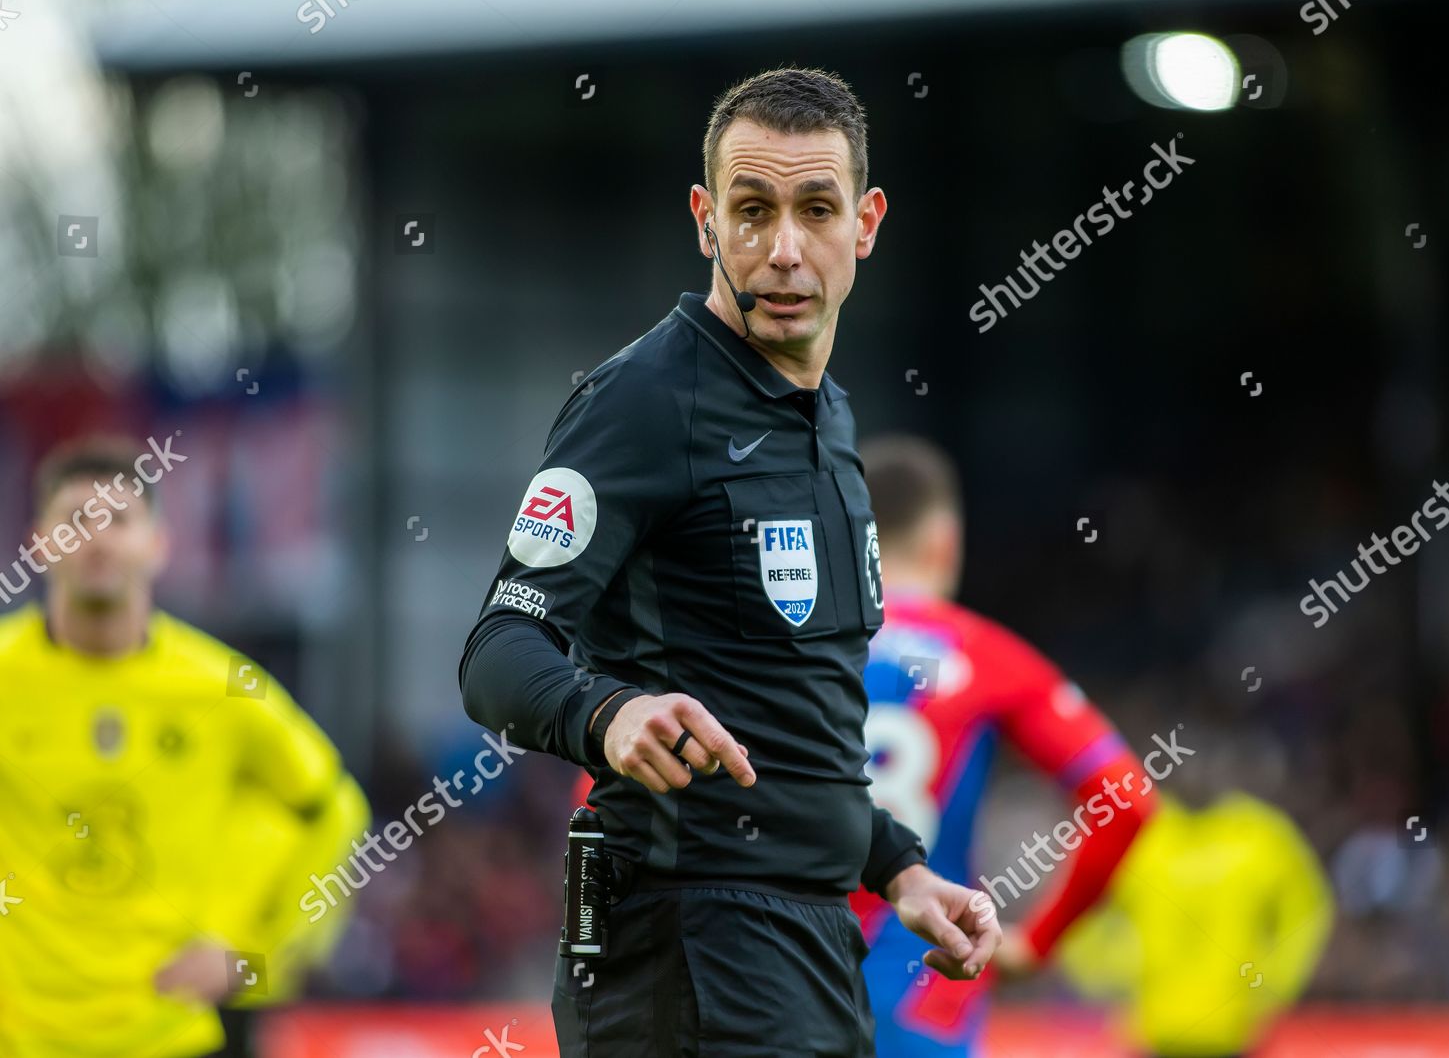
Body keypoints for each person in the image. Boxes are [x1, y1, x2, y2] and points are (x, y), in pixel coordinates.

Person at [459, 67, 1001, 1057]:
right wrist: (606, 712)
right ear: (707, 219)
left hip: (816, 943)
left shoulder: (829, 420)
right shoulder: (642, 403)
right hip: (681, 942)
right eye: (753, 211)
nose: (784, 250)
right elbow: (498, 648)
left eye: (816, 210)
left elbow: (795, 719)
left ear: (866, 223)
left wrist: (900, 872)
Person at [0, 436, 370, 1057]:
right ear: (40, 541)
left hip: (176, 1036)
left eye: (118, 520)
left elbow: (334, 810)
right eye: (76, 521)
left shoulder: (219, 687)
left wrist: (258, 960)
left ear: (157, 543)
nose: (98, 540)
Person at [850, 434, 1157, 1056]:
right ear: (945, 543)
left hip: (788, 987)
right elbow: (1126, 801)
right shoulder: (990, 656)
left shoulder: (786, 655)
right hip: (930, 992)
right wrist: (1040, 943)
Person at [1056, 737, 1334, 1058]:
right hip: (1155, 1034)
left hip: (1233, 1035)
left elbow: (1308, 912)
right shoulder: (1142, 830)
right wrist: (1112, 971)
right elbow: (1077, 904)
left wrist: (1273, 985)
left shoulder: (1262, 837)